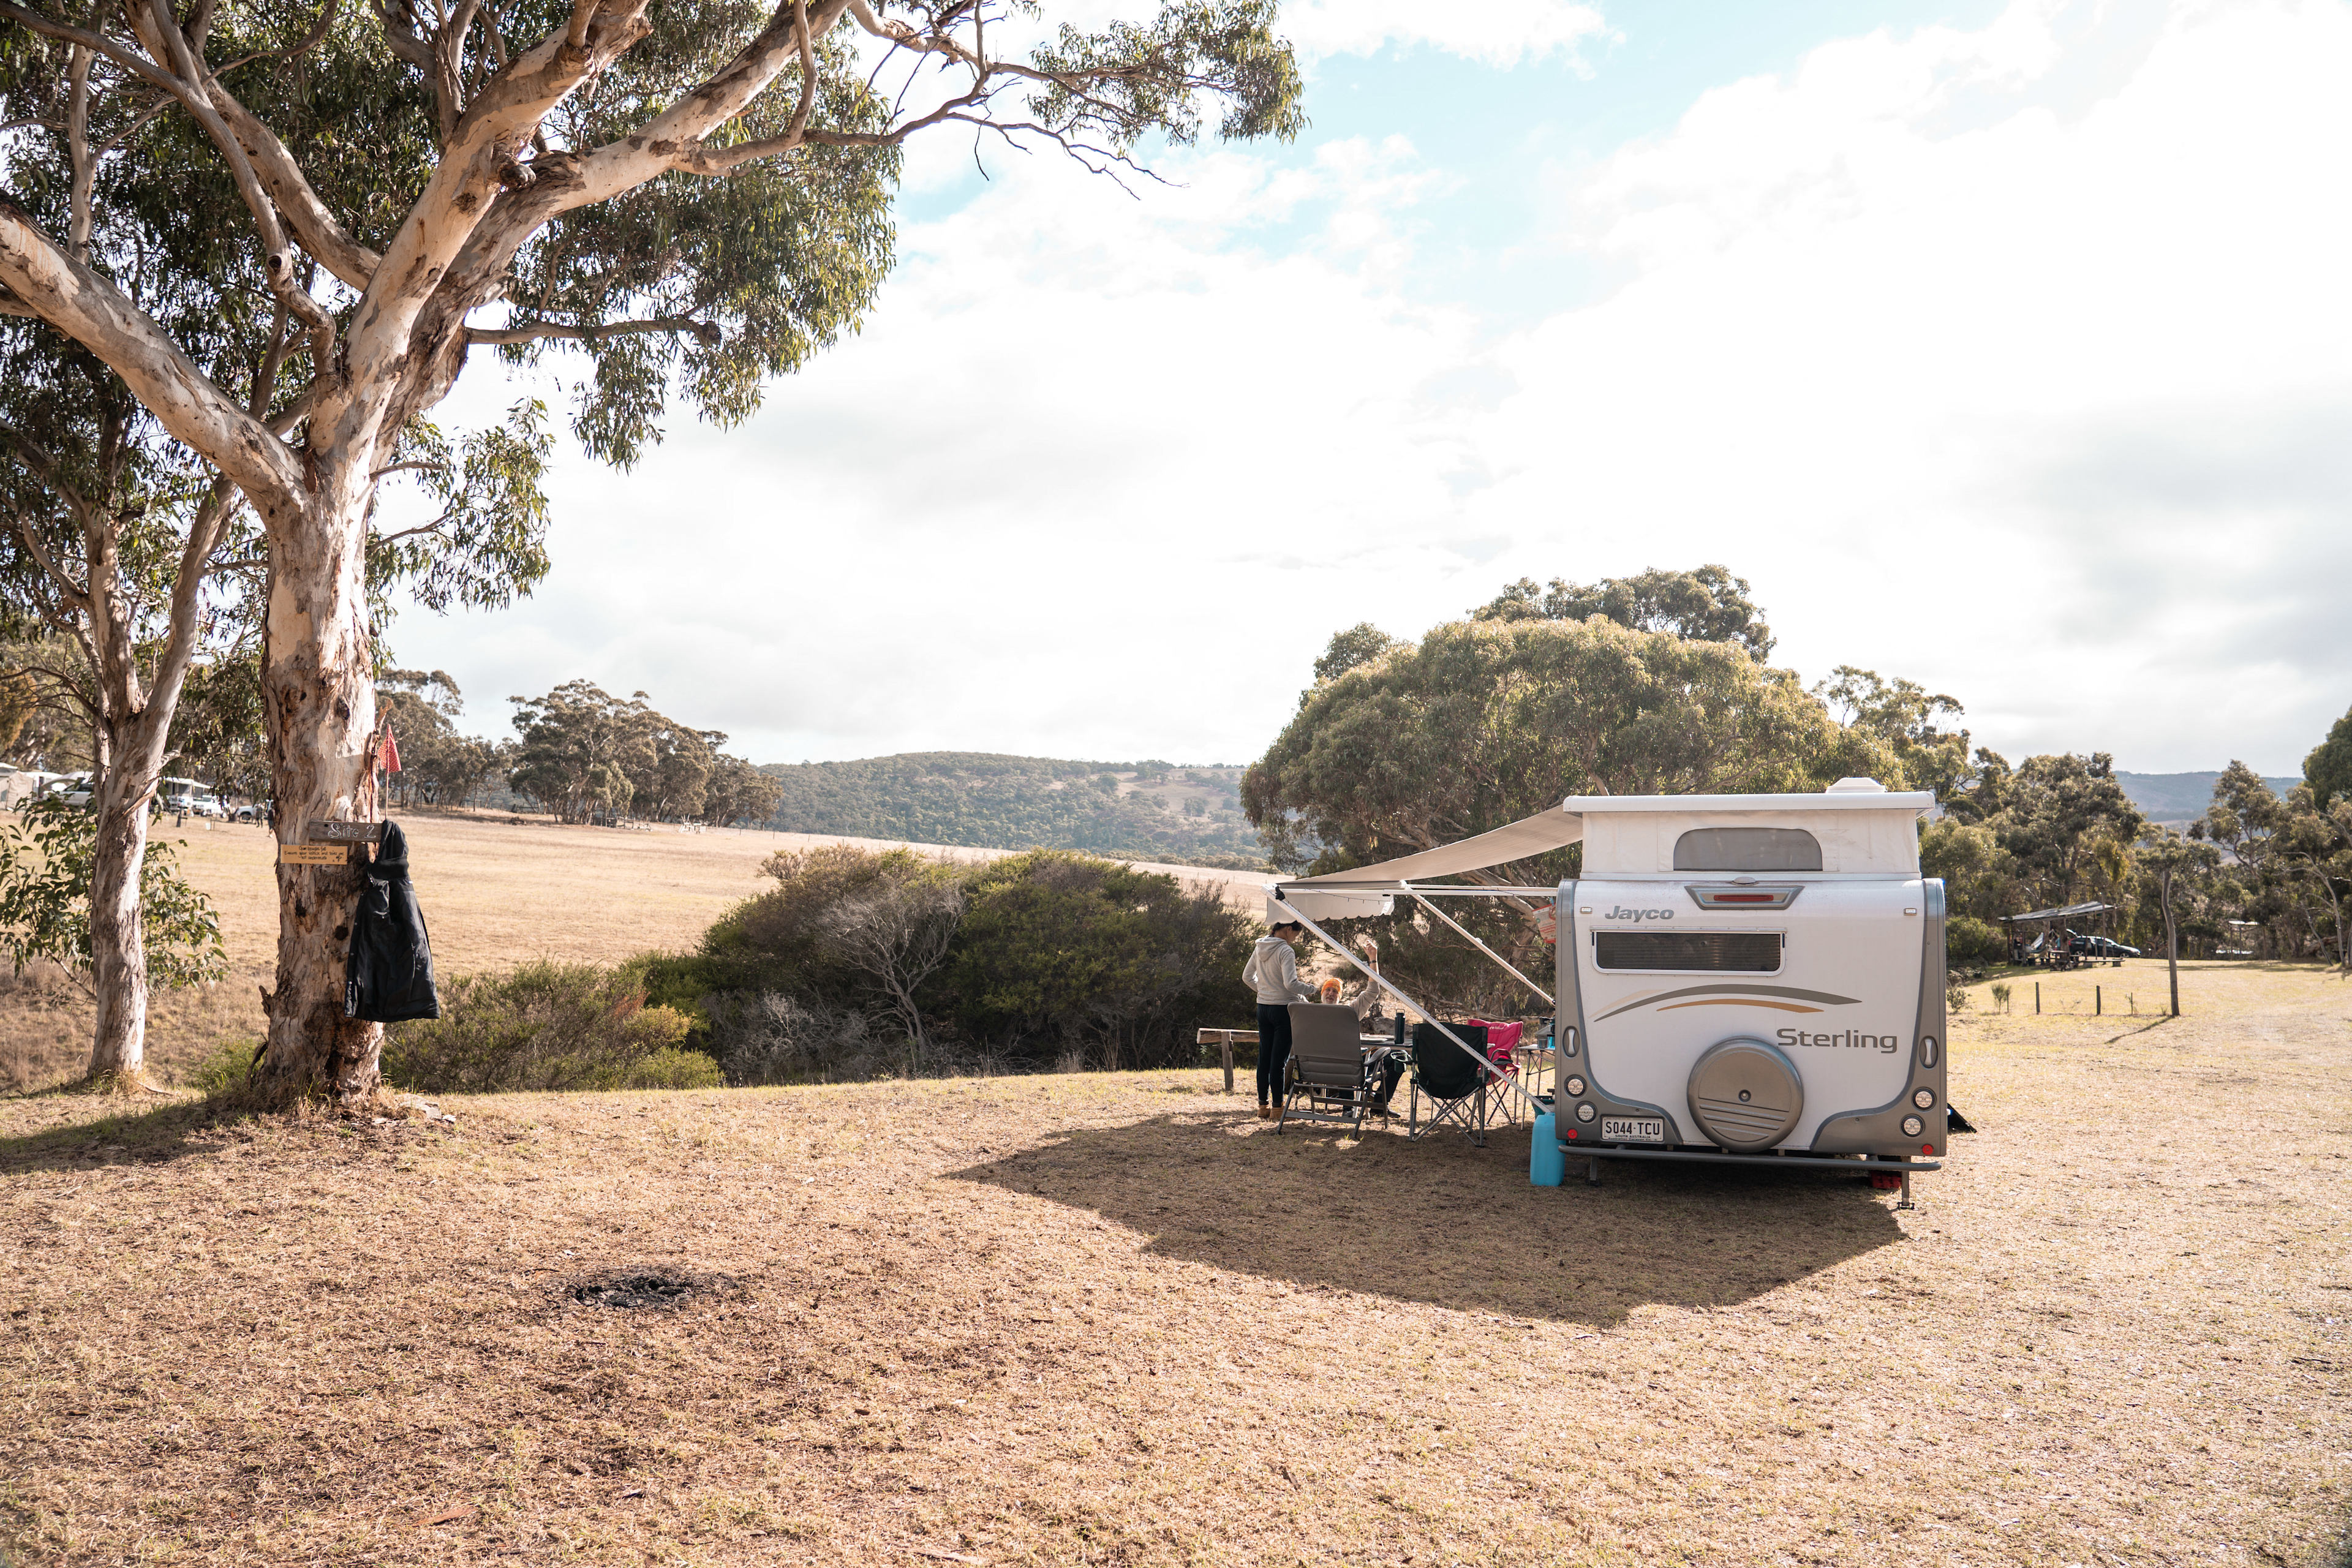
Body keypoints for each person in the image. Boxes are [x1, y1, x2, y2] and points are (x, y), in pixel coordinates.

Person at [1243, 919, 1317, 1119]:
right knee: (1279, 1061)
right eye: (1296, 935)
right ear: (1288, 929)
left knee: (1264, 1059)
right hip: (1283, 1009)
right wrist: (1311, 989)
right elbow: (1291, 984)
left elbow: (1247, 977)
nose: (1294, 940)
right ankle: (1277, 1108)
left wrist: (1266, 991)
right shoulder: (1285, 951)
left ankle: (1262, 1106)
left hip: (1263, 1008)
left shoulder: (1260, 946)